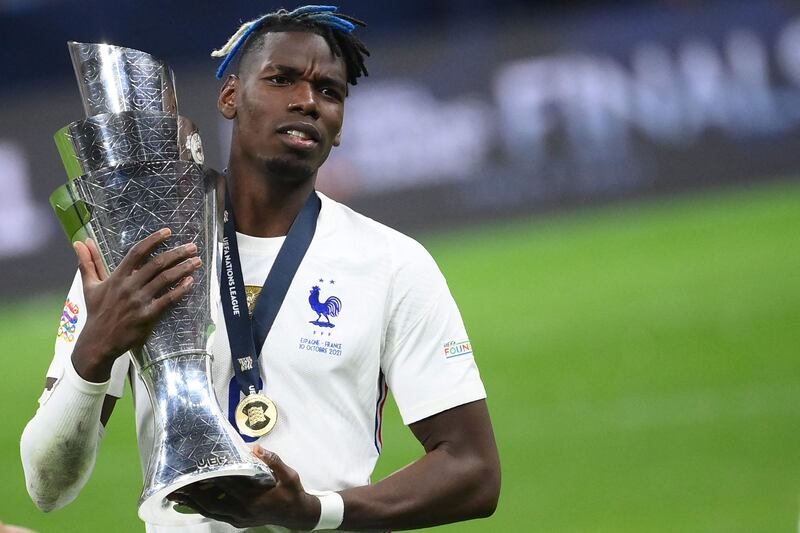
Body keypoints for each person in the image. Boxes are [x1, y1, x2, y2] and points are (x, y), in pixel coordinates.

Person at [20, 5, 500, 532]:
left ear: (339, 127)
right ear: (230, 96)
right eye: (281, 79)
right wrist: (97, 347)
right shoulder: (135, 256)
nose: (307, 102)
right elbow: (47, 487)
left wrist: (315, 512)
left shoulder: (393, 264)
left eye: (330, 92)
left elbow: (473, 472)